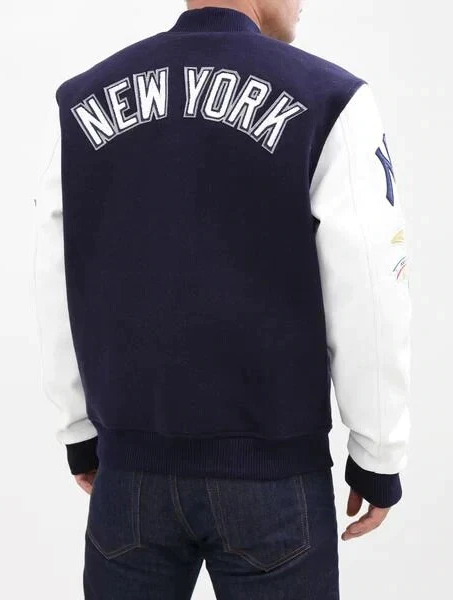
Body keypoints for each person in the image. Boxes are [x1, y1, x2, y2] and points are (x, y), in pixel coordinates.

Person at [33, 1, 412, 598]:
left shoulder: (83, 101)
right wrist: (378, 451)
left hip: (129, 476)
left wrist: (77, 428)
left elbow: (57, 273)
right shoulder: (330, 99)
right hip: (273, 477)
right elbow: (370, 285)